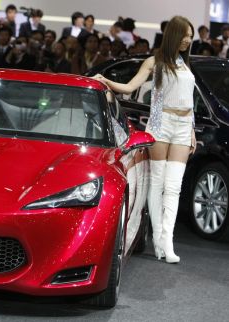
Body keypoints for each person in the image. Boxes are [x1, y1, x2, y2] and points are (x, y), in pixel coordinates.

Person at [93, 16, 196, 264]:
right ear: (174, 34)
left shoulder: (185, 63)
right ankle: (160, 243)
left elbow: (189, 100)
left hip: (183, 127)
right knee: (158, 183)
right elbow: (129, 88)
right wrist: (105, 81)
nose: (189, 40)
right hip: (161, 124)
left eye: (191, 36)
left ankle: (166, 241)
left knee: (174, 187)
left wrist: (191, 129)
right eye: (185, 35)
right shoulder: (155, 62)